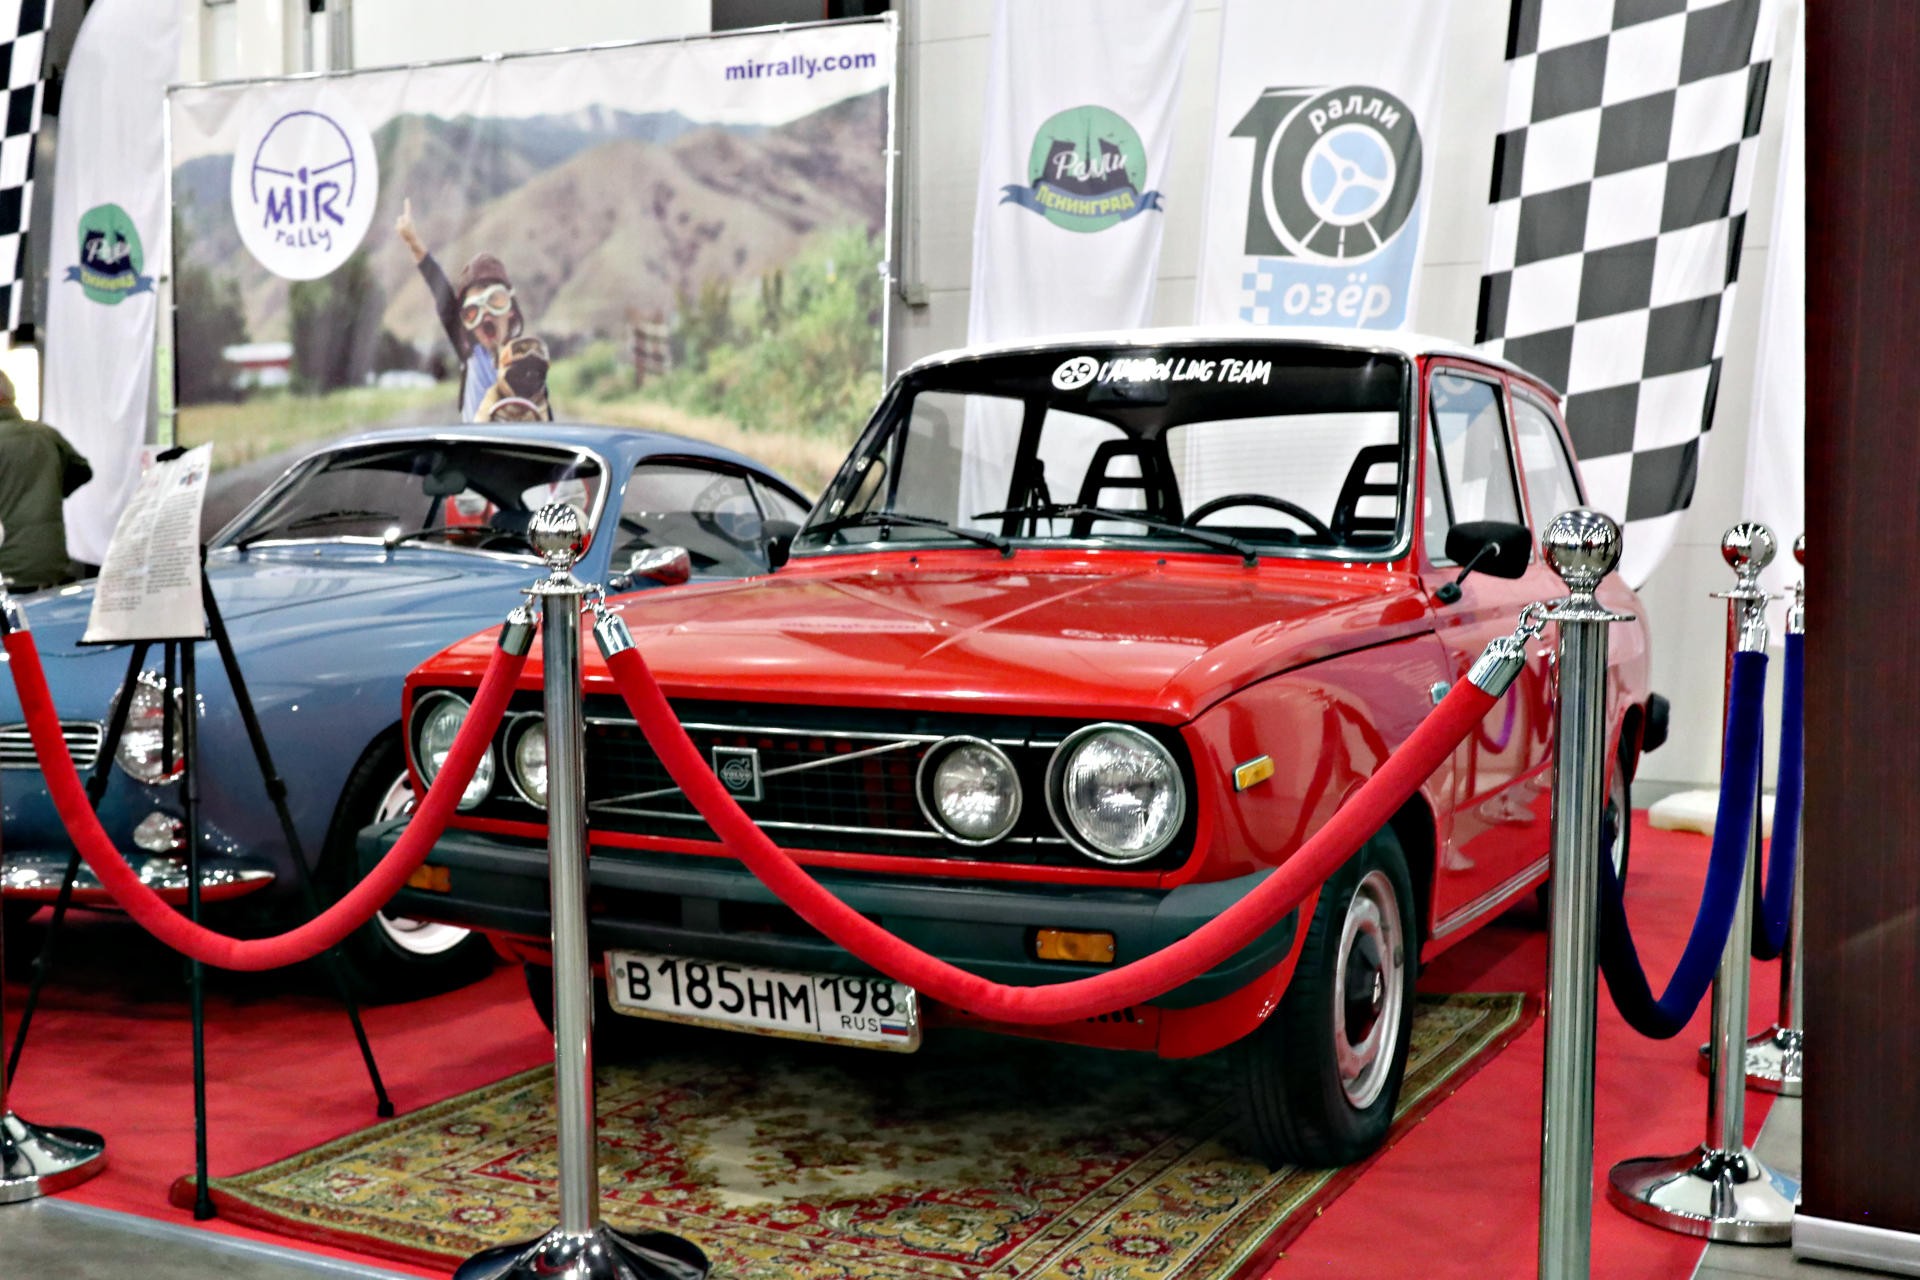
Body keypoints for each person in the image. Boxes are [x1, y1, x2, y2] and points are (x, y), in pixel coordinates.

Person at [395, 198, 551, 423]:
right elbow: (440, 290)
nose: (485, 315)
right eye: (472, 312)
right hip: (474, 443)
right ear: (466, 324)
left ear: (510, 310)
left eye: (495, 301)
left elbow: (547, 422)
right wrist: (413, 241)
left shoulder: (528, 361)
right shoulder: (470, 352)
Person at [0, 370, 91, 592]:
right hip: (52, 567)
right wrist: (50, 491)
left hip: (7, 570)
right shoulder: (46, 435)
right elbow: (82, 471)